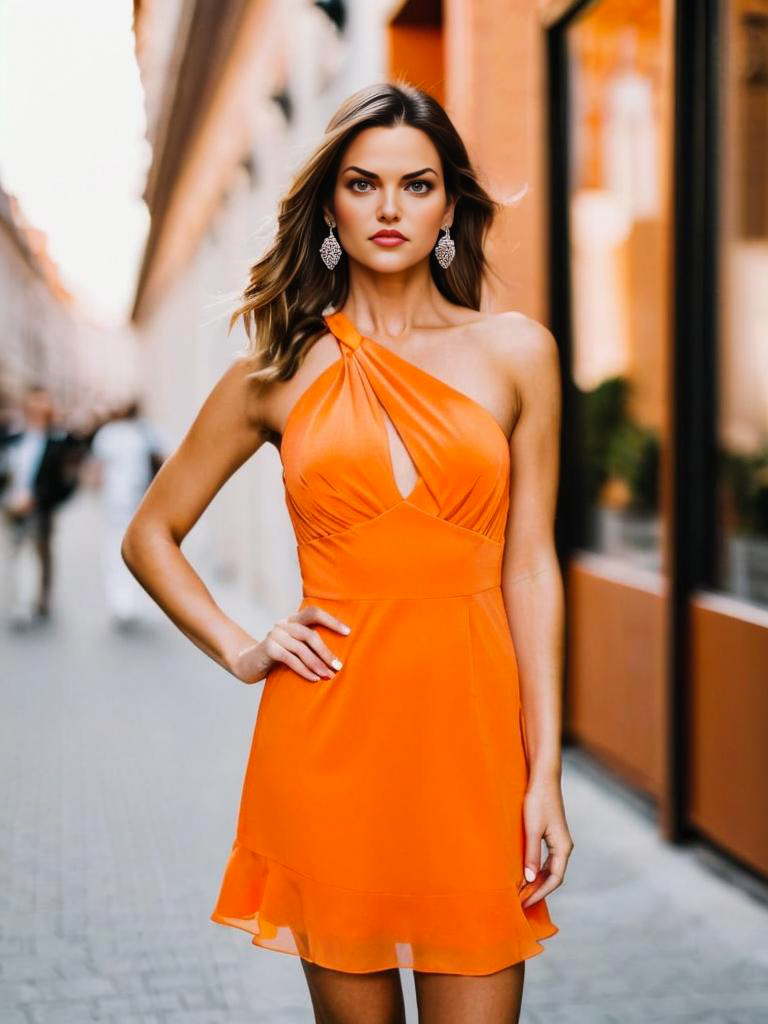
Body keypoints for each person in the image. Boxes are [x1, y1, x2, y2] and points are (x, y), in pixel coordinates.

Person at [122, 83, 573, 1023]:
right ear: (330, 202)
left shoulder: (518, 352)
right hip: (327, 744)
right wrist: (242, 647)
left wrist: (546, 776)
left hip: (472, 749)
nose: (390, 209)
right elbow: (149, 535)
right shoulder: (275, 370)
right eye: (364, 184)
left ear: (451, 205)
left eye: (417, 185)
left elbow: (530, 568)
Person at [0, 384, 86, 629]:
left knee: (39, 553)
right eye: (34, 402)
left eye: (43, 402)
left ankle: (39, 600)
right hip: (11, 505)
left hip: (40, 506)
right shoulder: (11, 437)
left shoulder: (59, 440)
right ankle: (23, 602)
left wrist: (40, 498)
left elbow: (68, 480)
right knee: (16, 552)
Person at [89, 399, 167, 630]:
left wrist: (96, 487)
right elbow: (166, 460)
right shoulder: (148, 431)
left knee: (116, 551)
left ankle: (122, 604)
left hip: (118, 501)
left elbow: (97, 470)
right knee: (142, 548)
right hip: (144, 498)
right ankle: (137, 602)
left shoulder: (108, 433)